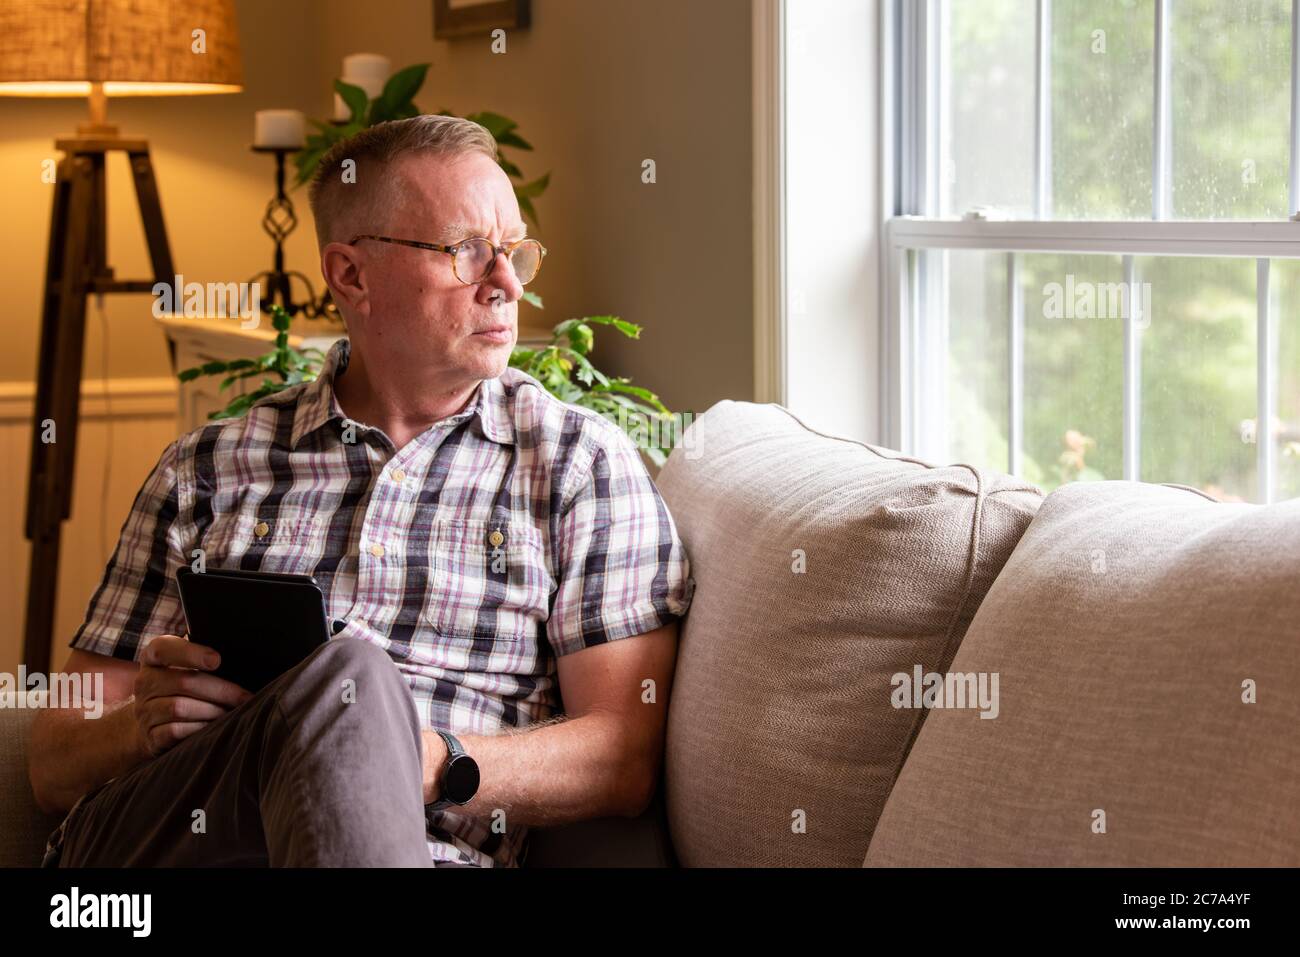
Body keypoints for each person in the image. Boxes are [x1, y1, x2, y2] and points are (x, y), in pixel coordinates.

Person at [27, 114, 694, 867]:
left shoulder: (576, 466)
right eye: (467, 251)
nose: (507, 284)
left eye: (515, 252)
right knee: (349, 677)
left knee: (350, 689)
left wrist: (420, 760)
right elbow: (50, 760)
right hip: (175, 842)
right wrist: (137, 724)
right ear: (351, 275)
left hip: (422, 850)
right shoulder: (205, 467)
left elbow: (621, 757)